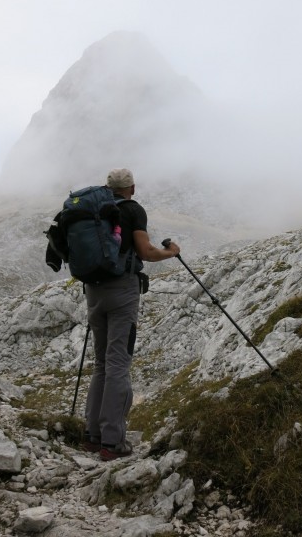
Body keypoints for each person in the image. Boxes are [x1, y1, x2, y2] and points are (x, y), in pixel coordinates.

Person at [82, 168, 180, 461]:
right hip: (121, 292)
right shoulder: (133, 210)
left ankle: (92, 435)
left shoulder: (94, 210)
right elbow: (147, 252)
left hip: (93, 290)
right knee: (118, 362)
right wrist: (172, 252)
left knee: (101, 362)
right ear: (132, 189)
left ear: (107, 187)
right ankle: (113, 443)